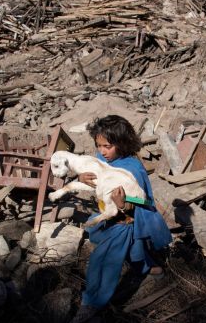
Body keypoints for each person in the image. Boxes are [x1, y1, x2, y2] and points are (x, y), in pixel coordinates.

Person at [70, 115, 172, 323]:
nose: (102, 151)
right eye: (99, 146)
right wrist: (81, 178)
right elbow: (97, 179)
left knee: (103, 261)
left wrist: (124, 203)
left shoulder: (132, 168)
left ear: (122, 144)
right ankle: (147, 266)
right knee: (130, 249)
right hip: (107, 215)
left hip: (124, 221)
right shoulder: (105, 161)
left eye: (107, 146)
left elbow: (142, 201)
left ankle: (92, 302)